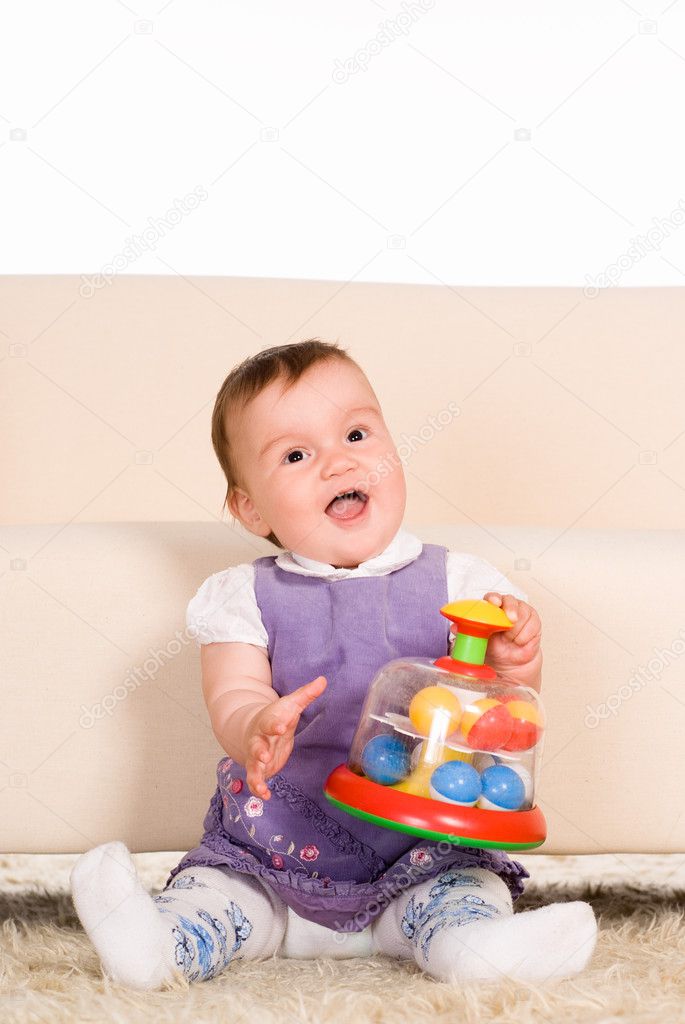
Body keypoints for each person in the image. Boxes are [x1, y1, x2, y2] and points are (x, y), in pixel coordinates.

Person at [70, 339, 598, 989]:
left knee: (461, 896)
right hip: (270, 855)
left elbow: (502, 716)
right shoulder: (243, 595)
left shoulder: (463, 583)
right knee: (217, 900)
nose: (337, 461)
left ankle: (477, 951)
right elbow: (232, 694)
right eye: (295, 454)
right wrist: (255, 723)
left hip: (422, 855)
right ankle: (157, 944)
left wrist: (517, 660)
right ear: (250, 508)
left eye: (355, 432)